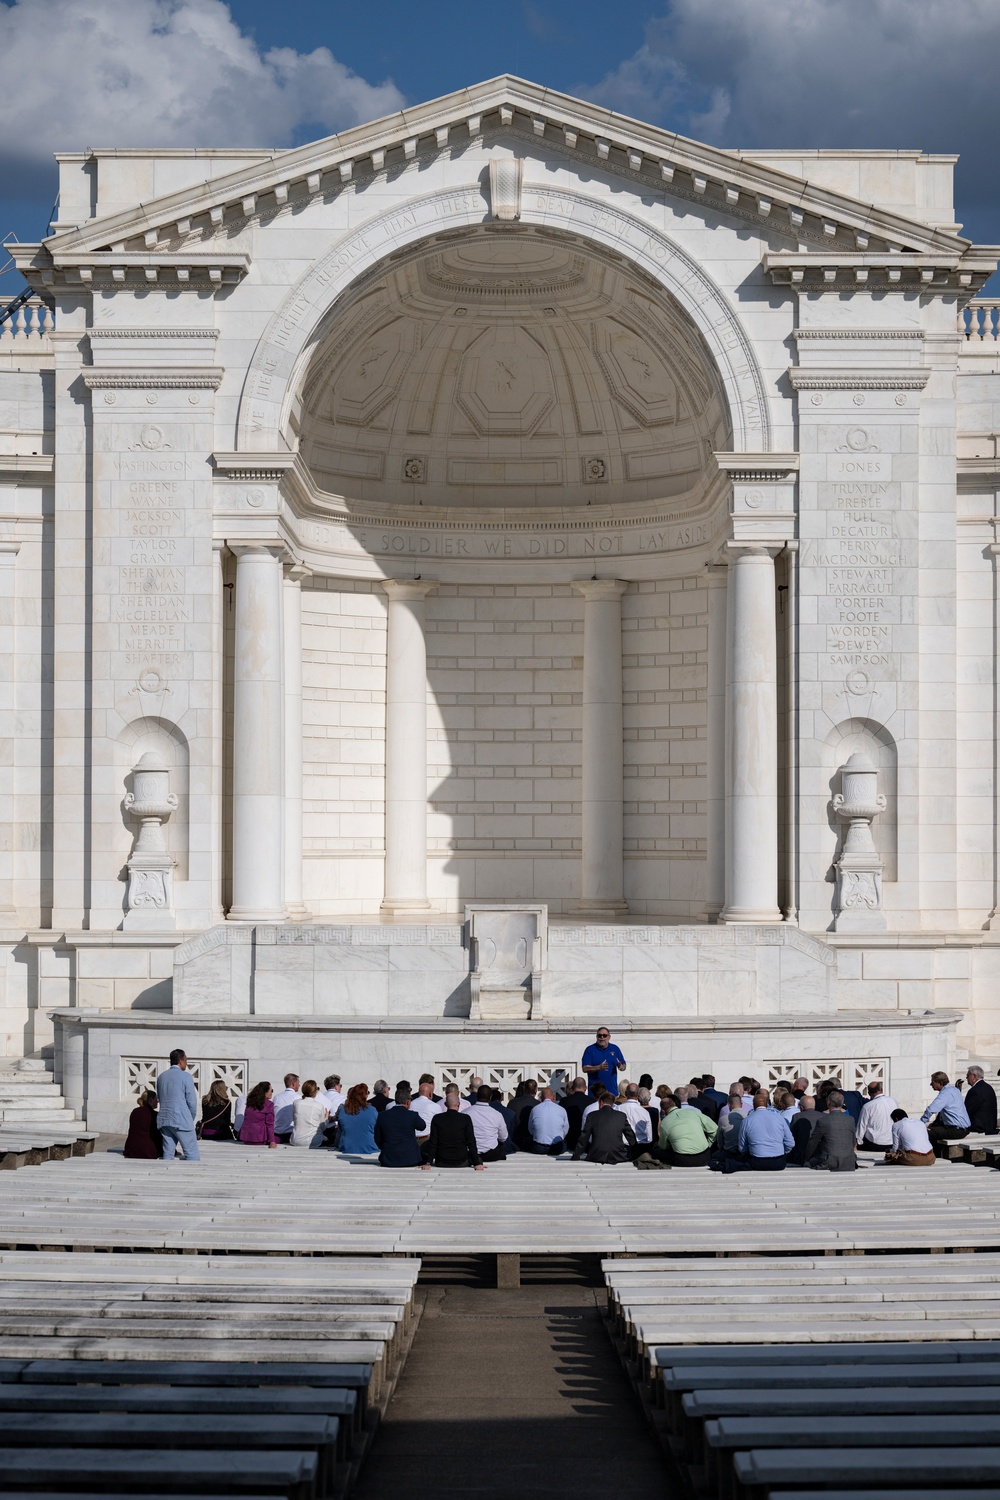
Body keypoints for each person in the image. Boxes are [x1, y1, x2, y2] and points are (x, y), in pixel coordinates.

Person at [156, 1048, 200, 1162]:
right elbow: (192, 1102)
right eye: (186, 1060)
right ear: (180, 1061)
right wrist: (190, 1119)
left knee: (168, 1155)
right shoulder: (186, 1076)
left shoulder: (161, 1077)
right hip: (182, 1119)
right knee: (192, 1155)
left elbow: (160, 1097)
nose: (186, 1063)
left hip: (165, 1119)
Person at [736, 1089, 793, 1171]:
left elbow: (742, 1147)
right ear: (767, 1104)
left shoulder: (747, 1120)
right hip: (779, 1162)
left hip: (756, 1162)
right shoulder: (779, 1118)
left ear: (754, 1105)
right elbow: (790, 1143)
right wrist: (781, 1151)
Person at [375, 1087, 429, 1169]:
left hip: (389, 1159)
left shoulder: (382, 1115)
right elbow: (422, 1126)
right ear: (408, 1102)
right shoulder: (412, 1115)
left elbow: (377, 1138)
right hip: (411, 1159)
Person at [574, 1094, 637, 1164]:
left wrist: (576, 1155)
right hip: (618, 1155)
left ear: (601, 1102)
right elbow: (630, 1136)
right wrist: (636, 1154)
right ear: (612, 1103)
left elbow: (584, 1138)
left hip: (596, 1155)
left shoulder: (592, 1116)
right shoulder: (621, 1116)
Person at [427, 1092, 484, 1169]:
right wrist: (477, 1163)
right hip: (461, 1161)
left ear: (445, 1104)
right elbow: (471, 1142)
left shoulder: (437, 1119)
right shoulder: (465, 1119)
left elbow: (433, 1142)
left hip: (442, 1161)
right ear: (459, 1104)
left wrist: (428, 1162)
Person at [804, 1090, 857, 1171]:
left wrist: (806, 1158)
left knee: (807, 1163)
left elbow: (813, 1142)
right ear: (842, 1103)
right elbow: (853, 1141)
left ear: (828, 1102)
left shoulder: (823, 1120)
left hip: (829, 1161)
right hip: (849, 1161)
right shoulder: (850, 1120)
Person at [657, 1096, 717, 1166]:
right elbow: (714, 1129)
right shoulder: (694, 1112)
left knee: (657, 1150)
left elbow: (664, 1146)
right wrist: (708, 1144)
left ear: (663, 1111)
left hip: (681, 1160)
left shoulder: (664, 1123)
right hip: (704, 1157)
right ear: (674, 1104)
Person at [921, 1071, 971, 1151]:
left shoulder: (945, 1093)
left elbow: (931, 1109)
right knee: (932, 1129)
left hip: (956, 1130)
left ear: (940, 1083)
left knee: (924, 1132)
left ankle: (932, 1155)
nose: (930, 1084)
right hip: (963, 1129)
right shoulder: (953, 1090)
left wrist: (920, 1123)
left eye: (932, 1082)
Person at [467, 1084, 508, 1162]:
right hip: (491, 1154)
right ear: (490, 1097)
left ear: (477, 1096)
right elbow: (503, 1137)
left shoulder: (466, 1112)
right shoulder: (497, 1114)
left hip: (470, 1154)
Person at [581, 1028, 626, 1098]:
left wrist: (621, 1066)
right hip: (595, 1094)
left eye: (604, 1035)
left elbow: (624, 1066)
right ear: (596, 1037)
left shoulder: (615, 1049)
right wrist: (598, 1067)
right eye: (599, 1035)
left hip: (612, 1092)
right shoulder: (590, 1050)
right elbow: (584, 1068)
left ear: (609, 1037)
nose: (602, 1038)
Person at [336, 1083, 379, 1154]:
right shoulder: (372, 1110)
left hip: (346, 1148)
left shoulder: (343, 1110)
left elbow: (340, 1132)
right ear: (365, 1095)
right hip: (370, 1148)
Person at [855, 1081, 897, 1151]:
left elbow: (861, 1128)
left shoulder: (867, 1106)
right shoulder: (893, 1101)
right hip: (892, 1142)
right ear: (881, 1090)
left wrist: (857, 1144)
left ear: (869, 1093)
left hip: (875, 1144)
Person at [528, 1086, 569, 1156]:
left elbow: (530, 1129)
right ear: (553, 1097)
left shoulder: (535, 1109)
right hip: (557, 1148)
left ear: (541, 1098)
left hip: (538, 1148)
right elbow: (565, 1129)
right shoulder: (561, 1109)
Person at [408, 1077, 445, 1152]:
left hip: (411, 1140)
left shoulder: (410, 1104)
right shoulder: (435, 1106)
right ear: (430, 1094)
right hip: (428, 1141)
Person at [123, 1088, 162, 1159]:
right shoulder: (154, 1115)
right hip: (147, 1151)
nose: (158, 1101)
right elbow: (158, 1136)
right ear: (151, 1101)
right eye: (156, 1099)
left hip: (131, 1150)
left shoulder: (135, 1111)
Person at [290, 1079, 329, 1148]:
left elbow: (294, 1120)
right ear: (315, 1091)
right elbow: (322, 1127)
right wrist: (327, 1118)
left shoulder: (296, 1103)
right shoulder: (319, 1106)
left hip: (295, 1140)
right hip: (313, 1141)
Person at [239, 1081, 277, 1148]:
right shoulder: (269, 1104)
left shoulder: (250, 1102)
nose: (271, 1093)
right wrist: (272, 1141)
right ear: (265, 1093)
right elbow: (270, 1124)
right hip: (260, 1137)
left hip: (246, 1137)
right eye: (271, 1091)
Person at [963, 1066, 998, 1134]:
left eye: (968, 1076)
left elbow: (967, 1111)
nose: (966, 1078)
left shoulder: (974, 1091)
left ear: (974, 1076)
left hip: (978, 1127)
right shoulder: (988, 1087)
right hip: (990, 1126)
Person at [788, 1095, 819, 1166]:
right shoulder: (823, 1116)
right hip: (818, 1154)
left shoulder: (797, 1116)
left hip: (801, 1156)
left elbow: (792, 1136)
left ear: (802, 1107)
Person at [563, 1077, 591, 1152]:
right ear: (585, 1088)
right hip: (587, 1143)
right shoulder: (592, 1102)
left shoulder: (564, 1101)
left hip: (569, 1142)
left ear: (572, 1087)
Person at [272, 1073, 301, 1144]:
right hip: (291, 1133)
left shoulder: (276, 1097)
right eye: (298, 1083)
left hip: (276, 1133)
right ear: (293, 1084)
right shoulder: (297, 1098)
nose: (299, 1085)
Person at [490, 1088, 517, 1156]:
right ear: (501, 1099)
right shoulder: (510, 1113)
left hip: (488, 1148)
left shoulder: (483, 1112)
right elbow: (511, 1134)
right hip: (506, 1147)